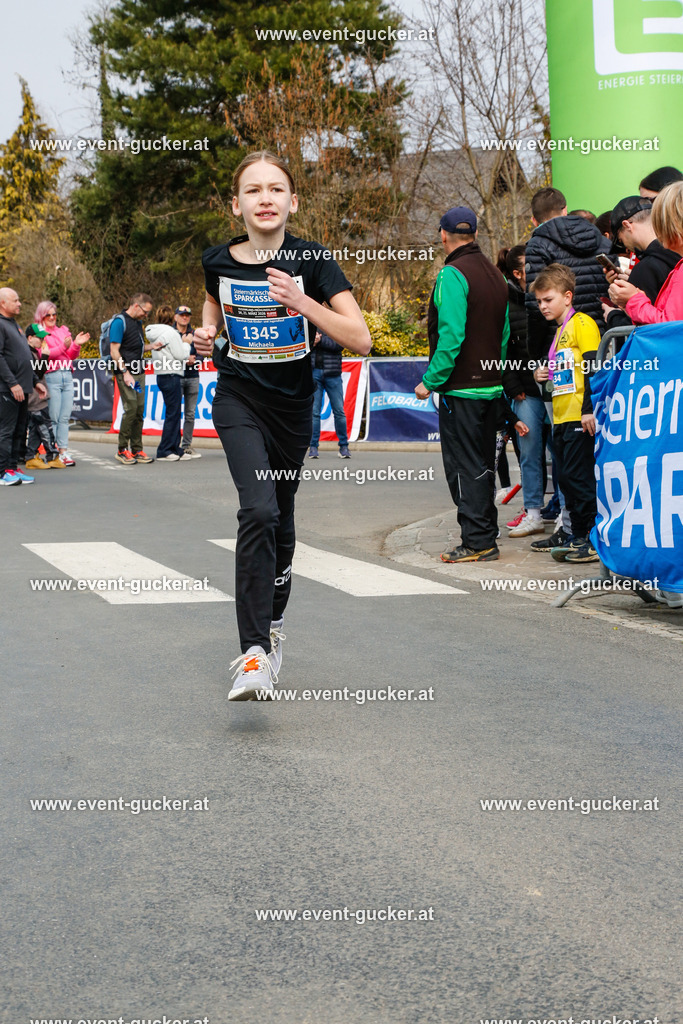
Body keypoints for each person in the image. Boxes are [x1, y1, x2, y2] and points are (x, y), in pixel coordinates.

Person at [193, 150, 371, 700]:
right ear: (236, 205)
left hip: (293, 409)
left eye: (275, 189)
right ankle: (253, 655)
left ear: (292, 202)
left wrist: (302, 302)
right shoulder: (216, 260)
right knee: (259, 509)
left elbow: (360, 337)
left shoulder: (314, 262)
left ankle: (271, 626)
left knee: (284, 524)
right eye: (253, 190)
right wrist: (207, 338)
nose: (264, 198)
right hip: (238, 399)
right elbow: (211, 305)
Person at [414, 206, 509, 563]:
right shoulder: (494, 275)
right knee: (484, 462)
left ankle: (478, 541)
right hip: (491, 386)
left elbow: (450, 337)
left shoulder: (452, 274)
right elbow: (503, 334)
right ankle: (486, 533)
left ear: (443, 235)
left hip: (461, 390)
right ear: (475, 234)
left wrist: (430, 381)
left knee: (463, 466)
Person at [532, 265, 600, 563]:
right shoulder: (558, 331)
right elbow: (563, 371)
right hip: (559, 416)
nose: (542, 306)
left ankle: (590, 538)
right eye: (539, 301)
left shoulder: (581, 324)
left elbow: (592, 366)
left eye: (548, 299)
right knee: (567, 480)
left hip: (578, 416)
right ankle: (576, 534)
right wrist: (541, 374)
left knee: (579, 478)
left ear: (567, 297)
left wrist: (588, 410)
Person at [498, 244, 554, 537]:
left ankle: (565, 513)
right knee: (529, 455)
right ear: (518, 272)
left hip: (555, 391)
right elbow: (501, 348)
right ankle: (533, 513)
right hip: (526, 394)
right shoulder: (504, 304)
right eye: (529, 265)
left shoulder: (549, 299)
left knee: (562, 455)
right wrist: (512, 384)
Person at [525, 186, 611, 360]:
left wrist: (536, 351)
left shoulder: (536, 246)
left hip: (560, 340)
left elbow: (535, 304)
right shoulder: (601, 240)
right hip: (604, 336)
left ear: (534, 220)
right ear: (565, 210)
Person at [601, 195, 681, 331]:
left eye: (620, 240)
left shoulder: (646, 268)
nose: (625, 247)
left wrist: (614, 314)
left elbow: (666, 327)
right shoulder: (675, 263)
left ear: (626, 225)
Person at [33, 301, 89, 466]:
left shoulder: (63, 330)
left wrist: (76, 345)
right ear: (41, 316)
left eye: (54, 314)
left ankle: (63, 450)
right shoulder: (40, 333)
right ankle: (53, 450)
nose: (52, 318)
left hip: (67, 374)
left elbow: (70, 356)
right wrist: (63, 347)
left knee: (64, 417)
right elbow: (45, 355)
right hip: (51, 376)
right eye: (47, 315)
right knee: (54, 417)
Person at [0, 288, 47, 486]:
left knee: (20, 431)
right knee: (6, 431)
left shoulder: (15, 325)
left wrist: (35, 381)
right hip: (8, 389)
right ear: (3, 303)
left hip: (24, 388)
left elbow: (25, 357)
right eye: (15, 300)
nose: (19, 303)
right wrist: (12, 384)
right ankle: (2, 472)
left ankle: (12, 468)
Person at [109, 293, 156, 464]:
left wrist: (152, 346)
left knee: (138, 410)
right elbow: (114, 351)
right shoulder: (119, 322)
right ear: (136, 306)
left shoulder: (138, 323)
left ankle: (137, 449)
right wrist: (125, 372)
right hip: (126, 374)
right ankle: (122, 449)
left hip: (139, 372)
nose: (146, 315)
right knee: (131, 408)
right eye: (145, 311)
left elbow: (135, 348)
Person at [147, 305, 192, 461]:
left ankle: (174, 447)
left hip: (162, 374)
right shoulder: (171, 333)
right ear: (172, 318)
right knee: (173, 413)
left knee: (173, 412)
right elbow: (181, 355)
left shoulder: (153, 333)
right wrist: (186, 343)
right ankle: (165, 449)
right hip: (172, 374)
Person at [24, 323, 63, 469]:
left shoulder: (33, 352)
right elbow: (36, 375)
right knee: (46, 427)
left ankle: (31, 456)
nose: (42, 341)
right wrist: (45, 356)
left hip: (36, 400)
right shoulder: (27, 353)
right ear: (29, 338)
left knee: (35, 429)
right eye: (39, 338)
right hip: (35, 400)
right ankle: (52, 455)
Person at [308, 330, 350, 459]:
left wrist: (320, 341)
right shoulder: (310, 322)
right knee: (314, 412)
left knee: (339, 411)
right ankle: (313, 447)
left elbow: (340, 344)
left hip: (333, 374)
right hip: (314, 372)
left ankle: (344, 446)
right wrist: (311, 341)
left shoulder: (335, 322)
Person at [174, 305, 202, 458]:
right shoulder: (171, 333)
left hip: (192, 376)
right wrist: (184, 359)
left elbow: (202, 353)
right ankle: (174, 445)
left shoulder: (195, 333)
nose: (185, 317)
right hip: (176, 376)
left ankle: (186, 445)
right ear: (175, 317)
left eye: (187, 315)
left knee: (190, 414)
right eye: (182, 315)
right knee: (175, 413)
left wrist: (196, 359)